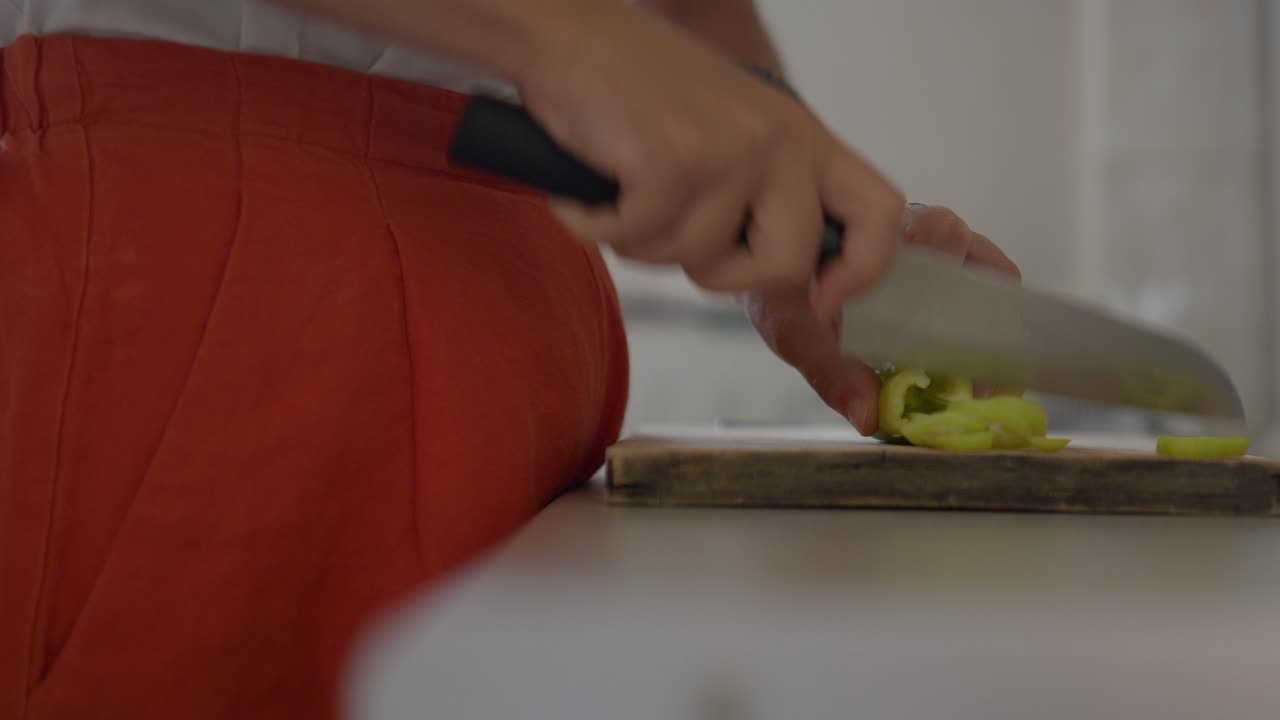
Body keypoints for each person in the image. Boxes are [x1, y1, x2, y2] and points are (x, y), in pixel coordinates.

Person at [0, 1, 1021, 718]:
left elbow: (688, 14)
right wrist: (570, 30)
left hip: (524, 310)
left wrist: (787, 212)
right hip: (201, 285)